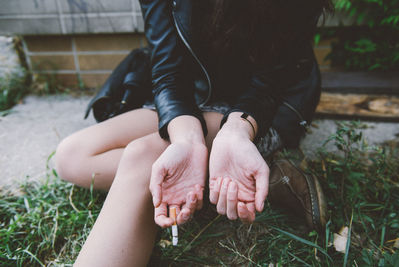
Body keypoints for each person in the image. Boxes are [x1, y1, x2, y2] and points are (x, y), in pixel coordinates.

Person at [55, 0, 332, 265]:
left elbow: (268, 85)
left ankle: (235, 173)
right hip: (193, 94)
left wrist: (236, 133)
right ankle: (251, 181)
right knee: (72, 156)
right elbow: (167, 70)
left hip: (263, 107)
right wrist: (187, 139)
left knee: (143, 157)